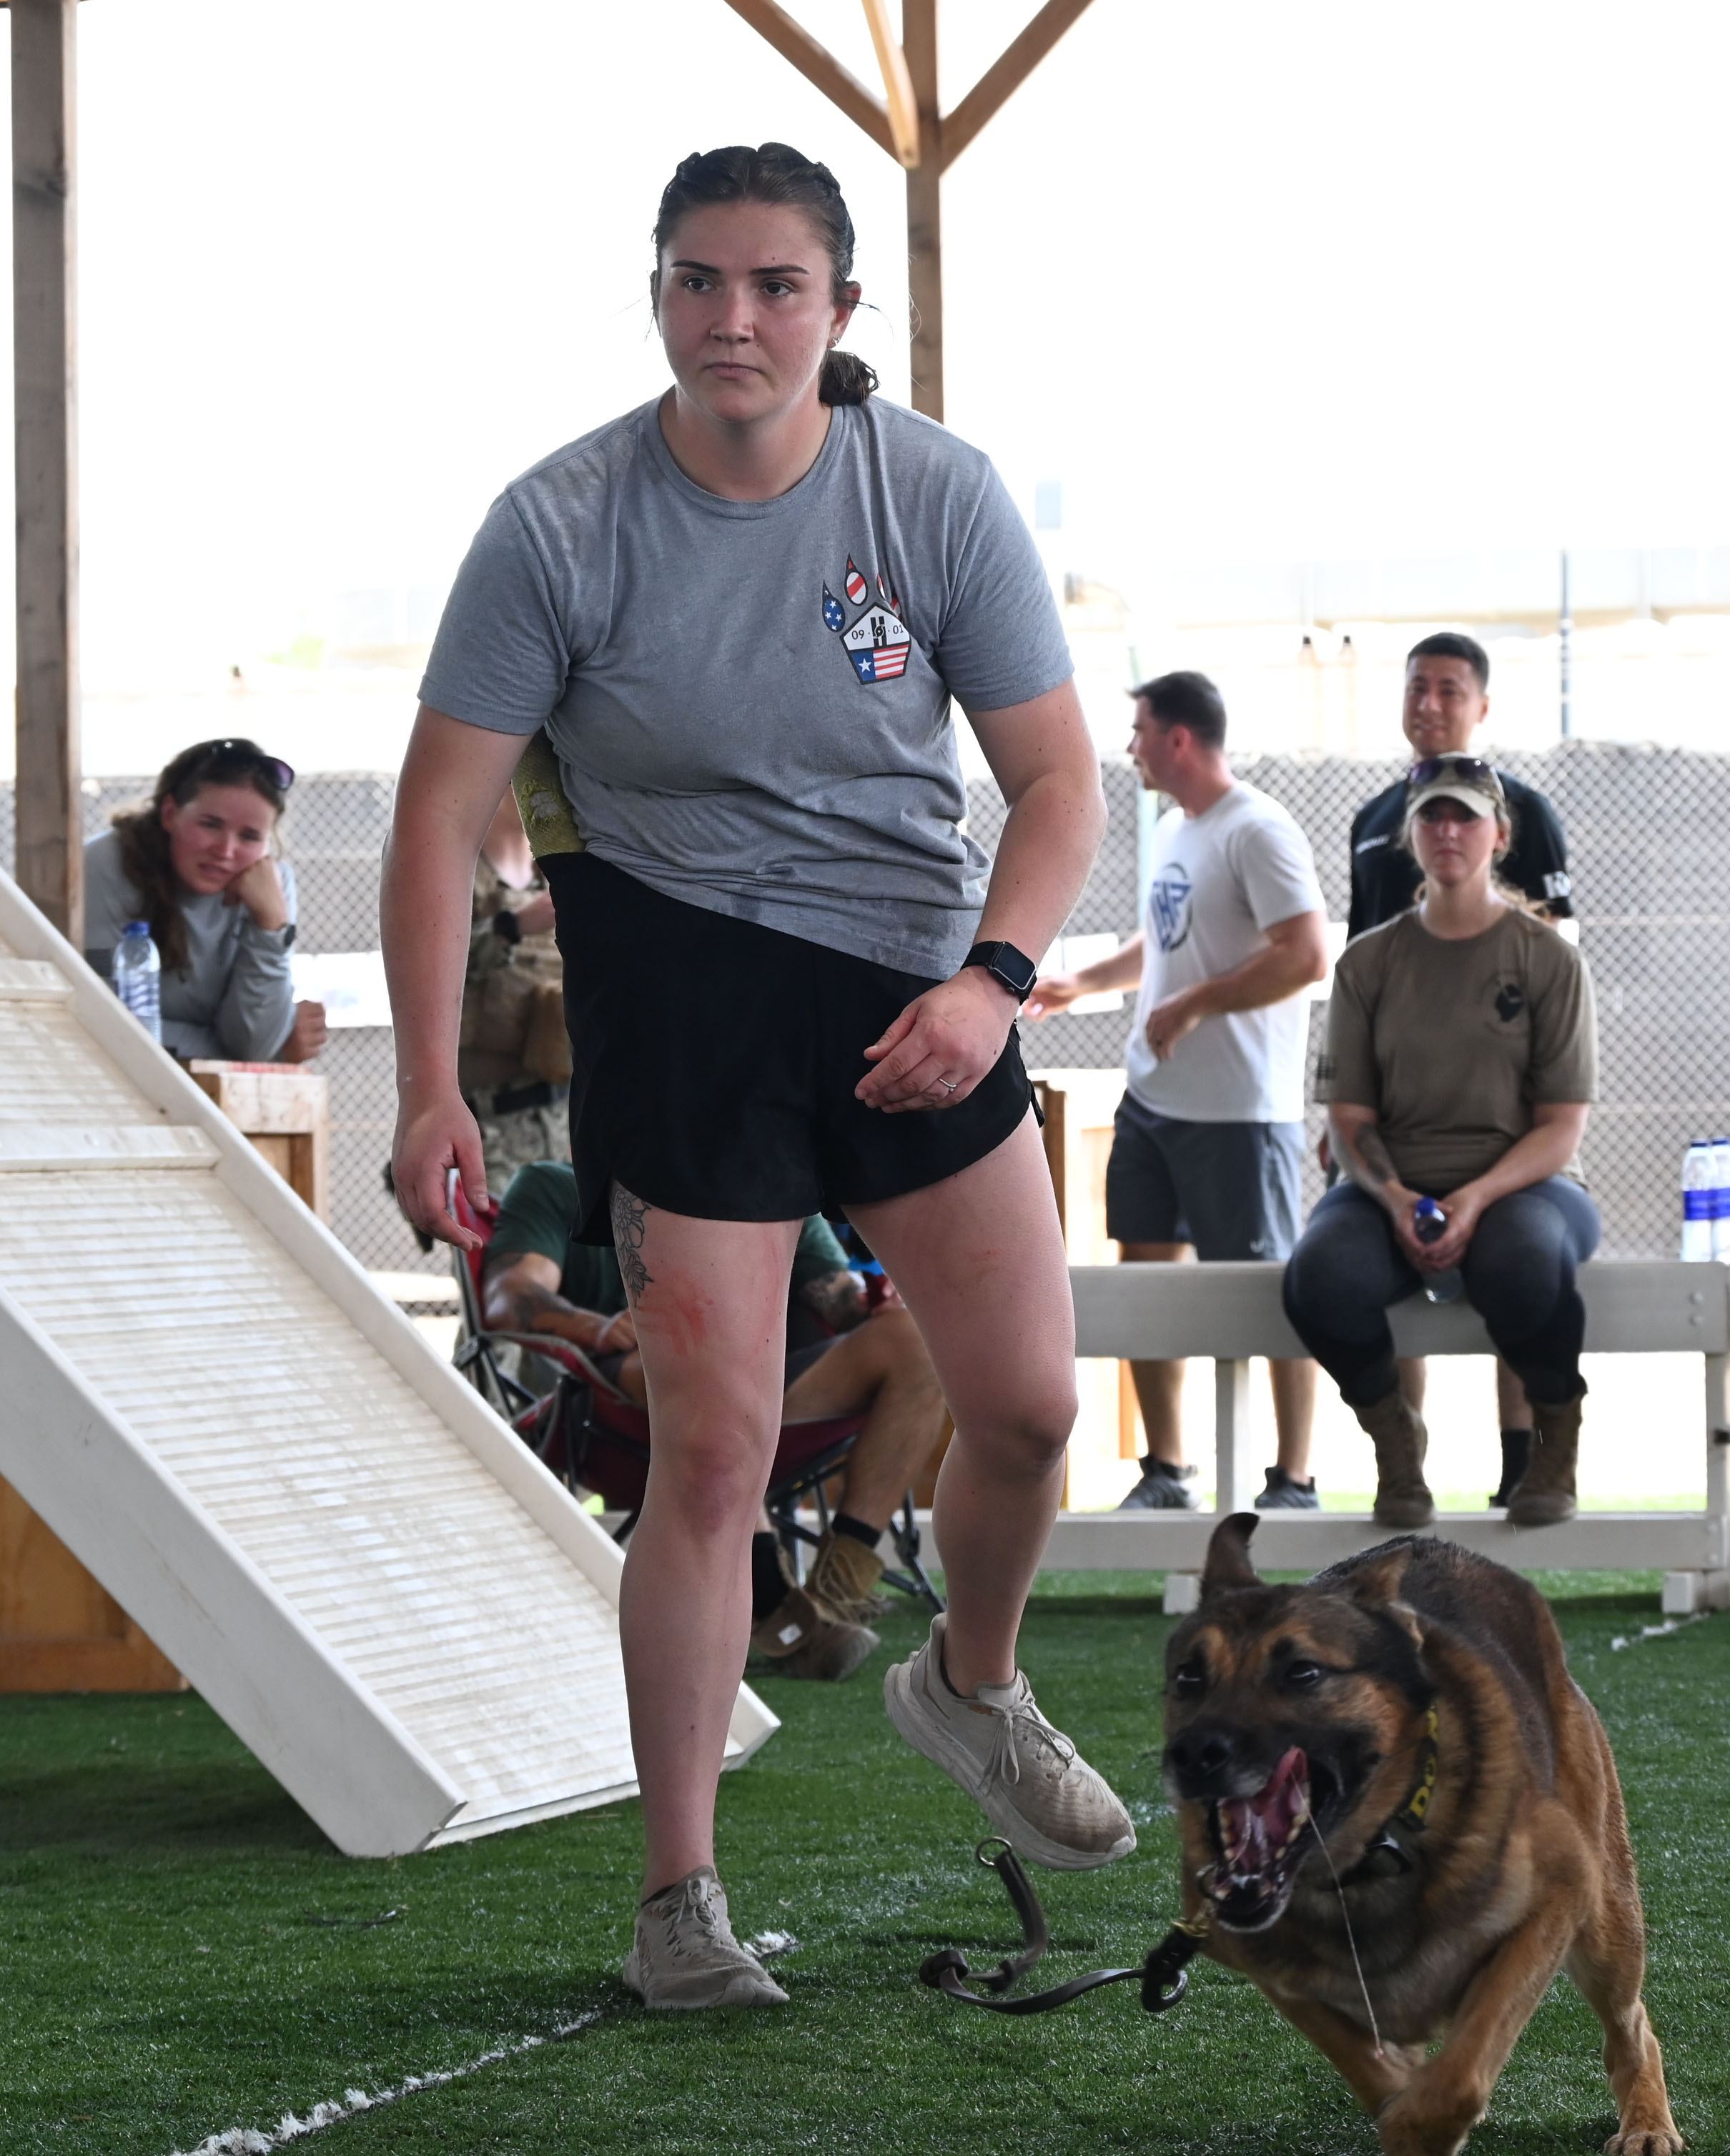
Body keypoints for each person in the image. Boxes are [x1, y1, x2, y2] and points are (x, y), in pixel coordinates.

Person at [384, 142, 1133, 2014]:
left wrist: (993, 983)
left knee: (1031, 1408)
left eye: (775, 284)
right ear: (657, 298)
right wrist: (427, 1089)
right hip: (681, 997)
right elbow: (434, 819)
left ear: (839, 309)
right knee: (709, 1457)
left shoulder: (932, 491)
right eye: (697, 281)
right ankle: (678, 1898)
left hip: (912, 994)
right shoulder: (557, 524)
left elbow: (1058, 784)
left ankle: (969, 1681)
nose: (734, 317)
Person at [1029, 671, 1329, 1512]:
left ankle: (1294, 1477)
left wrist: (1196, 1002)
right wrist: (1080, 983)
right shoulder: (1174, 828)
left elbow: (1306, 955)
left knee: (1266, 1293)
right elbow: (1162, 941)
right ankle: (1167, 1471)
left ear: (1179, 739)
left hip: (1239, 1114)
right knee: (1144, 1285)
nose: (1129, 748)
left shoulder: (1257, 829)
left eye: (1139, 731)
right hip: (1153, 1105)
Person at [1283, 755, 1599, 1531]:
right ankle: (1396, 1442)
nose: (1448, 830)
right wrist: (1395, 1199)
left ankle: (1555, 1435)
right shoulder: (1367, 961)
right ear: (1410, 833)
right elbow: (1349, 1119)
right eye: (1431, 815)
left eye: (1465, 816)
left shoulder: (1548, 958)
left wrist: (1476, 1198)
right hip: (1391, 1188)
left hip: (1525, 1185)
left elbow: (1561, 1125)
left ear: (1500, 835)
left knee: (1522, 1263)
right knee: (1319, 1278)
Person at [483, 1162, 948, 1678]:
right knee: (689, 1360)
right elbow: (509, 1297)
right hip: (625, 1407)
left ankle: (837, 1589)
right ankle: (777, 1608)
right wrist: (595, 1327)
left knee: (917, 1342)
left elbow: (837, 1296)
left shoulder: (770, 1179)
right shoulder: (555, 1187)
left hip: (767, 1393)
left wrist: (869, 1301)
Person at [1344, 631, 1576, 1508]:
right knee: (1376, 1261)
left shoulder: (1527, 811)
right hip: (1395, 1108)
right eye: (1417, 687)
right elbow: (1358, 965)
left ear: (1481, 705)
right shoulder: (1374, 820)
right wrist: (1351, 1125)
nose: (1429, 704)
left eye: (1449, 689)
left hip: (1505, 1104)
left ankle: (1523, 1459)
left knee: (1513, 1263)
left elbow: (1557, 949)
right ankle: (1405, 1458)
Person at [83, 737, 327, 1064]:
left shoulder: (270, 884)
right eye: (211, 825)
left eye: (250, 836)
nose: (226, 851)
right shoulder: (104, 865)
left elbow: (252, 1044)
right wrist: (269, 1053)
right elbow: (105, 1026)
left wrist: (271, 928)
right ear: (170, 814)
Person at [461, 781, 570, 1193]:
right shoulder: (458, 867)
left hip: (564, 1120)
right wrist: (513, 926)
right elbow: (427, 962)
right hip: (490, 1129)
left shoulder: (555, 870)